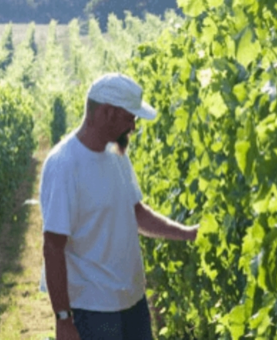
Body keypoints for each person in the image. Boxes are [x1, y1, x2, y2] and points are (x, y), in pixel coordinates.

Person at [39, 73, 200, 340]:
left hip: (132, 300)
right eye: (130, 118)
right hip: (93, 310)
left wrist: (187, 233)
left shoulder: (116, 155)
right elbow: (53, 246)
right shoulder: (64, 165)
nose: (133, 127)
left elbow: (136, 213)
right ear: (106, 113)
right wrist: (63, 319)